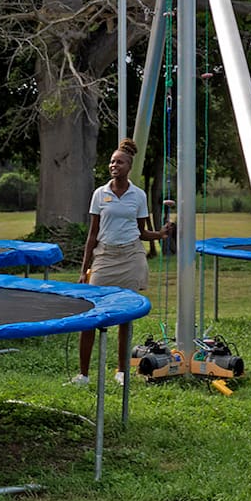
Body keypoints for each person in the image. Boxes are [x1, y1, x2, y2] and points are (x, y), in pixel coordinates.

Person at [76, 138, 159, 384]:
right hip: (105, 257)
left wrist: (162, 234)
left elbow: (142, 232)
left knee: (125, 316)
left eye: (119, 162)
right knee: (90, 315)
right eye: (112, 162)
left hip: (132, 256)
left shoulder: (138, 195)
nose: (114, 165)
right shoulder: (100, 194)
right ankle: (83, 374)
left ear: (129, 166)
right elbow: (92, 235)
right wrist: (84, 270)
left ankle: (121, 371)